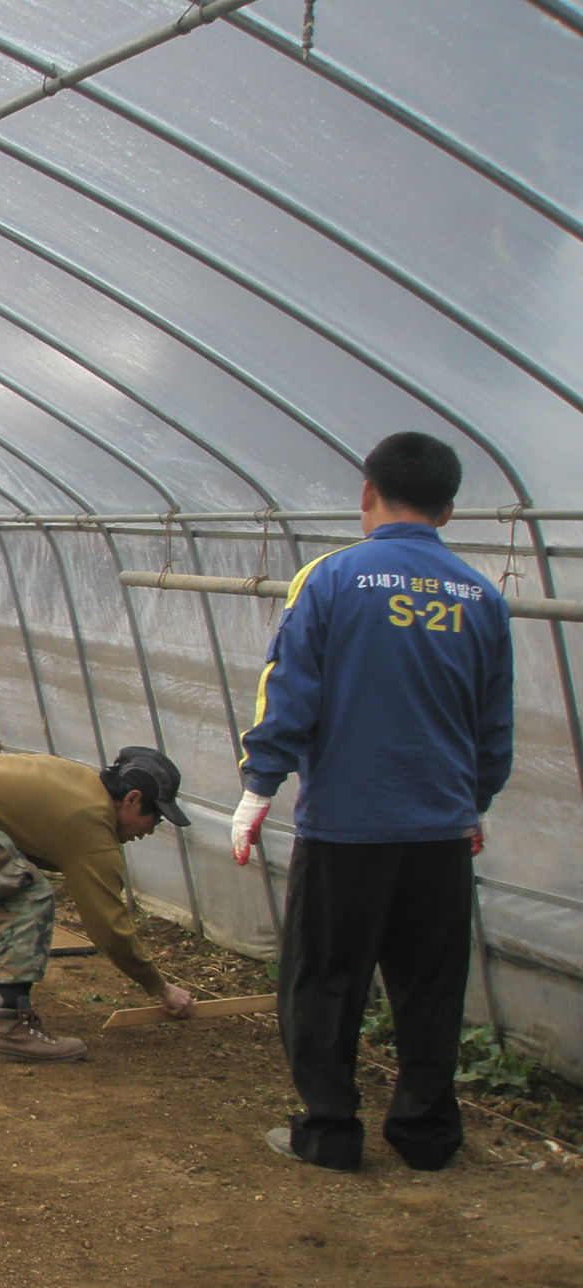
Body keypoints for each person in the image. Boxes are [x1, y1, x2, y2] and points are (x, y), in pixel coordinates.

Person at [234, 431, 513, 1173]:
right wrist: (475, 801)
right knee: (429, 987)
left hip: (346, 830)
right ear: (448, 509)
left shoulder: (332, 579)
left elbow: (289, 691)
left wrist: (259, 787)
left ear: (367, 492)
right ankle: (427, 1135)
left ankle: (329, 1133)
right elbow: (493, 724)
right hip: (441, 831)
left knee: (325, 980)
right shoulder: (481, 598)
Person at [0, 747, 196, 1063]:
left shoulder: (79, 782)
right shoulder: (93, 825)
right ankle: (11, 1027)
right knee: (28, 898)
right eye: (154, 817)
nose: (150, 830)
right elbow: (108, 926)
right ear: (131, 799)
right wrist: (161, 988)